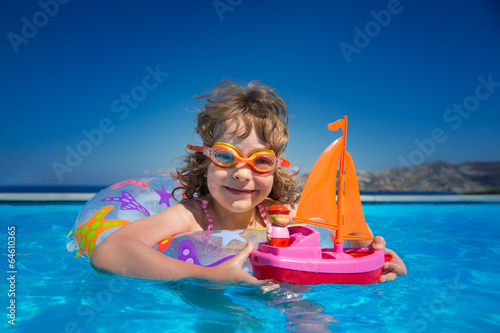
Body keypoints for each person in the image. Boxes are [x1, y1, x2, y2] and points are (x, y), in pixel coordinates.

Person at [90, 80, 407, 283]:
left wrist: (374, 257)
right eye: (226, 157)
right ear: (205, 160)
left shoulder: (282, 215)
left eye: (261, 161)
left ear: (275, 168)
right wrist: (205, 276)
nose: (242, 173)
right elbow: (110, 250)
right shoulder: (192, 215)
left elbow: (345, 234)